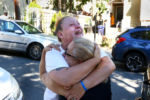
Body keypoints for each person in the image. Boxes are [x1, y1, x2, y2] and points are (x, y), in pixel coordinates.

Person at [40, 16, 116, 100]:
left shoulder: (89, 45)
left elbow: (109, 65)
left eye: (78, 24)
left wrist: (82, 86)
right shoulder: (53, 51)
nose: (78, 26)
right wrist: (95, 60)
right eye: (72, 25)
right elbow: (66, 78)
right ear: (61, 34)